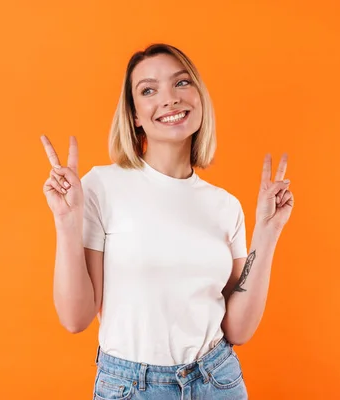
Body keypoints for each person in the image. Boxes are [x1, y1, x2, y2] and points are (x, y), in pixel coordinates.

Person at [40, 43, 294, 400]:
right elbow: (75, 319)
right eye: (149, 90)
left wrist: (267, 234)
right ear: (134, 116)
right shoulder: (101, 187)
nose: (171, 99)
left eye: (181, 83)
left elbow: (238, 329)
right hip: (132, 386)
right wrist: (66, 222)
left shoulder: (225, 206)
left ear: (199, 96)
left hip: (218, 380)